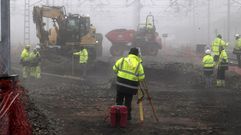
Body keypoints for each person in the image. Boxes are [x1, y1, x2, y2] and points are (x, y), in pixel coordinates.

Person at [113, 47, 145, 120]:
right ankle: (127, 116)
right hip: (131, 87)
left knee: (119, 100)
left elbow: (114, 69)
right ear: (137, 55)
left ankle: (117, 115)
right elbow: (141, 78)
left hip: (120, 85)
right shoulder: (138, 64)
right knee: (128, 101)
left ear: (129, 53)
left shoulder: (122, 60)